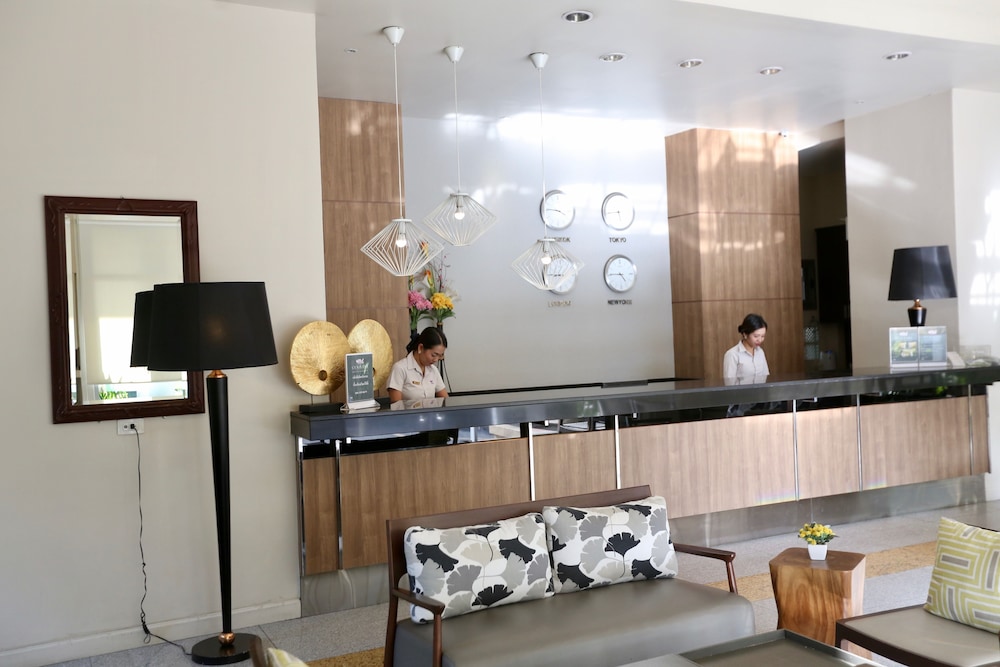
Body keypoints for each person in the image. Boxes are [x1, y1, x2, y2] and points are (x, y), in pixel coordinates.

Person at [387, 327, 449, 403]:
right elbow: (396, 405)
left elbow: (446, 400)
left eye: (440, 356)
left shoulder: (433, 370)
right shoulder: (400, 368)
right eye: (434, 355)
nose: (436, 359)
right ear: (420, 348)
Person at [723, 313, 769, 380]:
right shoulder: (732, 354)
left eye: (763, 336)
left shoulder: (760, 352)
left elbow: (765, 377)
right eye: (756, 336)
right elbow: (729, 383)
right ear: (745, 334)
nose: (760, 340)